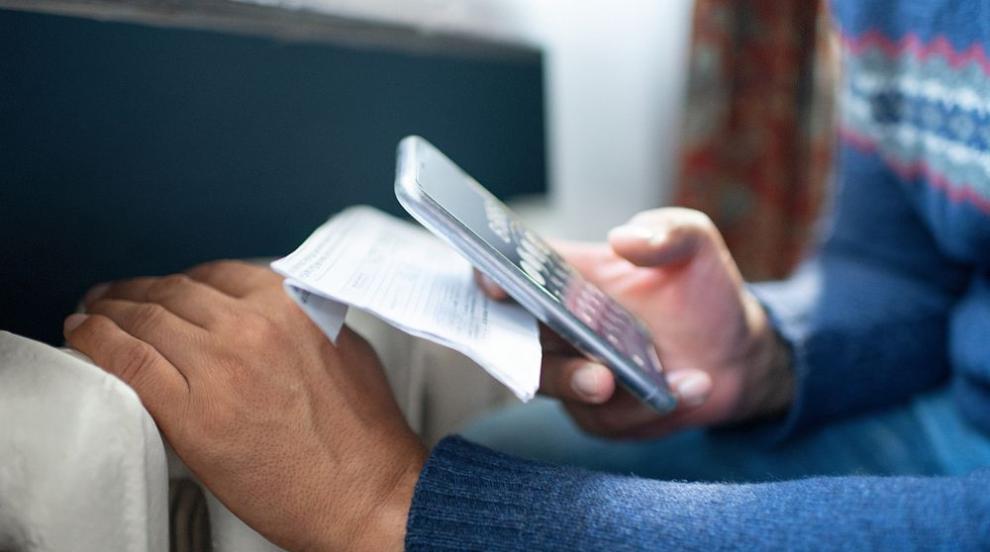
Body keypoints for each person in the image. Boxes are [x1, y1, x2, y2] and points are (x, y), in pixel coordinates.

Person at [62, 0, 989, 549]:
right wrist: (768, 355)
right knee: (515, 452)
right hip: (945, 421)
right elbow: (903, 264)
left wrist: (397, 508)